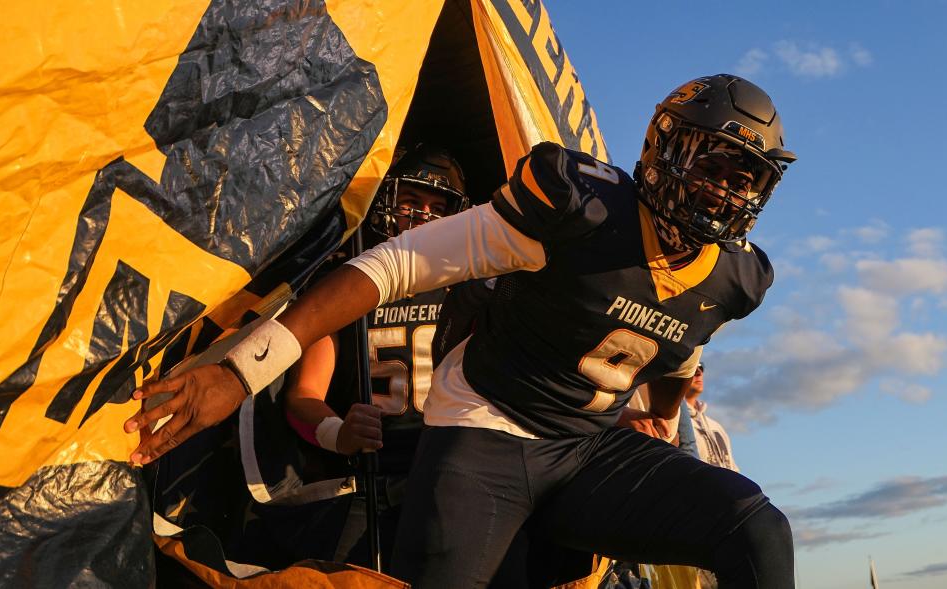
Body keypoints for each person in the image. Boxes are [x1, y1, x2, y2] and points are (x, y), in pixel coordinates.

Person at [125, 74, 798, 588]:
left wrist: (655, 415)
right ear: (665, 150)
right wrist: (239, 369)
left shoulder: (736, 278)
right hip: (486, 436)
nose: (724, 194)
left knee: (755, 528)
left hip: (587, 449)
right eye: (713, 168)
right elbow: (394, 264)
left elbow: (681, 349)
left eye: (746, 180)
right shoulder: (580, 207)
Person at [283, 143, 469, 570]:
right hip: (367, 481)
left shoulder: (472, 287)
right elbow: (303, 394)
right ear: (386, 200)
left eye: (437, 207)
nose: (422, 217)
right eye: (411, 201)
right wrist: (337, 432)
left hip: (453, 480)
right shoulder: (346, 284)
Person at [685, 362, 739, 472]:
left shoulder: (716, 426)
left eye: (701, 368)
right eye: (692, 367)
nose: (699, 373)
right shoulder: (672, 422)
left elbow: (733, 469)